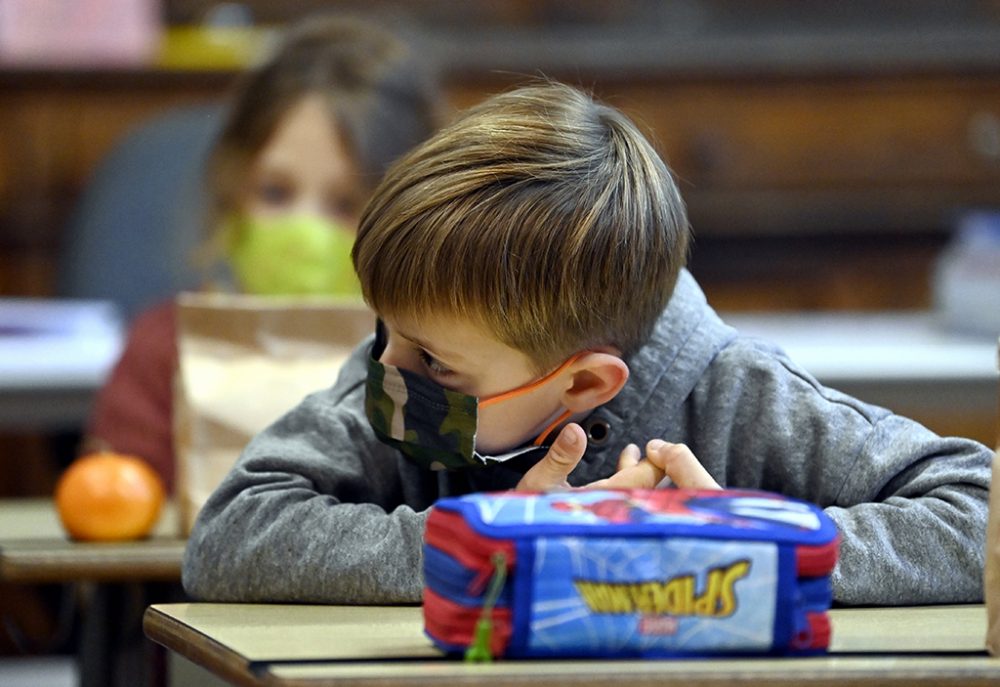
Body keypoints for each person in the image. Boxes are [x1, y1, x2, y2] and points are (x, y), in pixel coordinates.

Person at [182, 81, 992, 607]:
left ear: (581, 387)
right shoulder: (401, 382)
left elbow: (979, 510)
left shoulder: (739, 396)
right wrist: (484, 540)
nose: (384, 370)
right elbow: (229, 536)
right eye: (382, 329)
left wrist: (759, 545)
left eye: (434, 362)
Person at [82, 15, 443, 492]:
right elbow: (114, 511)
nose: (305, 230)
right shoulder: (167, 349)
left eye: (346, 204)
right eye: (275, 193)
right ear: (232, 189)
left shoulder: (448, 364)